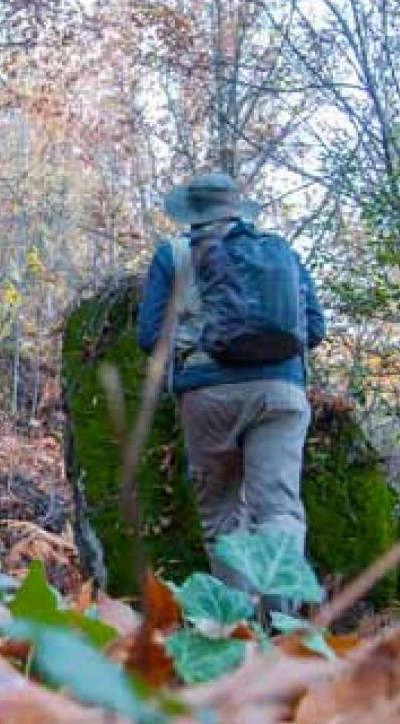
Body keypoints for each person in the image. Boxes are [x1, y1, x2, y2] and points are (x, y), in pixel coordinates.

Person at [136, 172, 325, 617]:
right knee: (278, 507)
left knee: (221, 510)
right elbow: (313, 329)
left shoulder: (176, 254)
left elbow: (149, 337)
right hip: (282, 392)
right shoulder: (282, 255)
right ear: (238, 209)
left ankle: (236, 623)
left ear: (193, 213)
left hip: (208, 395)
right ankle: (281, 617)